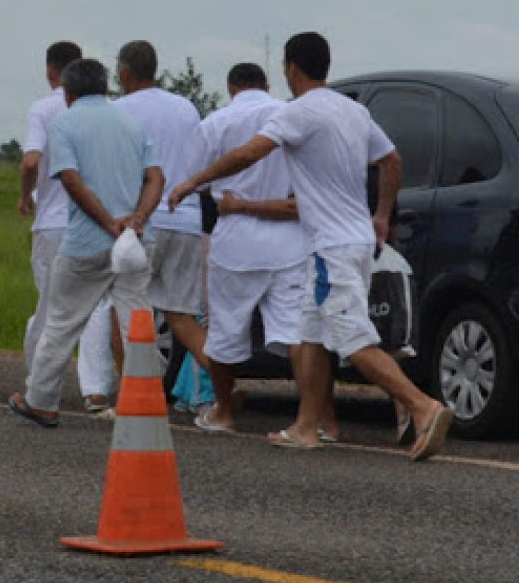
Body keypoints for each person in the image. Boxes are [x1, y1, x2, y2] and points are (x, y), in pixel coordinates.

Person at [170, 32, 452, 461]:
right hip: (351, 240)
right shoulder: (353, 110)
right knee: (311, 336)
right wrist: (379, 215)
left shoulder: (298, 113)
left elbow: (248, 155)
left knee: (352, 338)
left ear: (291, 68)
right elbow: (391, 160)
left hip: (330, 248)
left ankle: (423, 406)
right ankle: (306, 427)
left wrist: (195, 182)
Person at [8, 58, 164, 427]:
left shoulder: (65, 123)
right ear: (107, 87)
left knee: (62, 322)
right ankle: (144, 404)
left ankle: (42, 400)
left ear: (67, 91)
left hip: (87, 242)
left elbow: (71, 180)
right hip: (136, 240)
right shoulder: (132, 123)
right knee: (137, 322)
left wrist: (108, 222)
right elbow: (155, 177)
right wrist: (137, 218)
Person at [182, 62, 307, 433]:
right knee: (294, 332)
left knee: (226, 330)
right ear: (266, 84)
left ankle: (224, 411)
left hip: (236, 236)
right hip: (288, 235)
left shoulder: (215, 124)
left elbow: (198, 180)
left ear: (231, 87)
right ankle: (309, 418)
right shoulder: (291, 115)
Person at [20, 41, 114, 413]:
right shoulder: (109, 112)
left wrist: (26, 195)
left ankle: (39, 385)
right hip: (99, 219)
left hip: (55, 220)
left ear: (51, 71)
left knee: (50, 307)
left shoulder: (44, 109)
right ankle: (95, 390)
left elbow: (30, 161)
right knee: (96, 306)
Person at [114, 41, 206, 370]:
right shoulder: (186, 108)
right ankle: (223, 389)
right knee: (181, 315)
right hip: (187, 220)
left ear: (124, 72)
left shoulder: (121, 109)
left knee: (126, 309)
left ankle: (131, 392)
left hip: (142, 223)